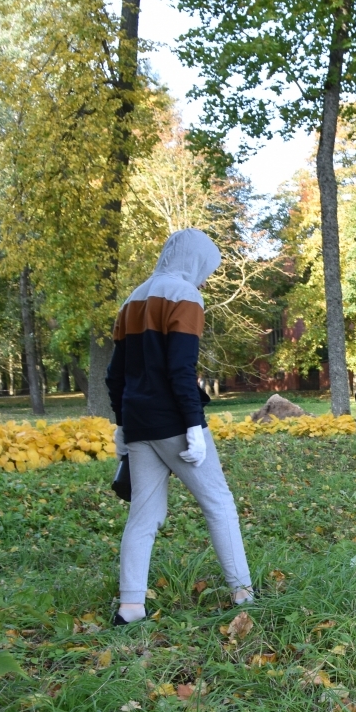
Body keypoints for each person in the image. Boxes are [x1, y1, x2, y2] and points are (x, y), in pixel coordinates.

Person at [107, 228, 253, 626]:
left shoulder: (131, 300)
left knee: (144, 516)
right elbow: (180, 370)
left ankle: (131, 606)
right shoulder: (185, 296)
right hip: (173, 419)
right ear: (194, 260)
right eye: (206, 266)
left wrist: (122, 425)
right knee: (219, 503)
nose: (205, 276)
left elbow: (113, 376)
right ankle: (243, 593)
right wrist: (194, 426)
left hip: (138, 421)